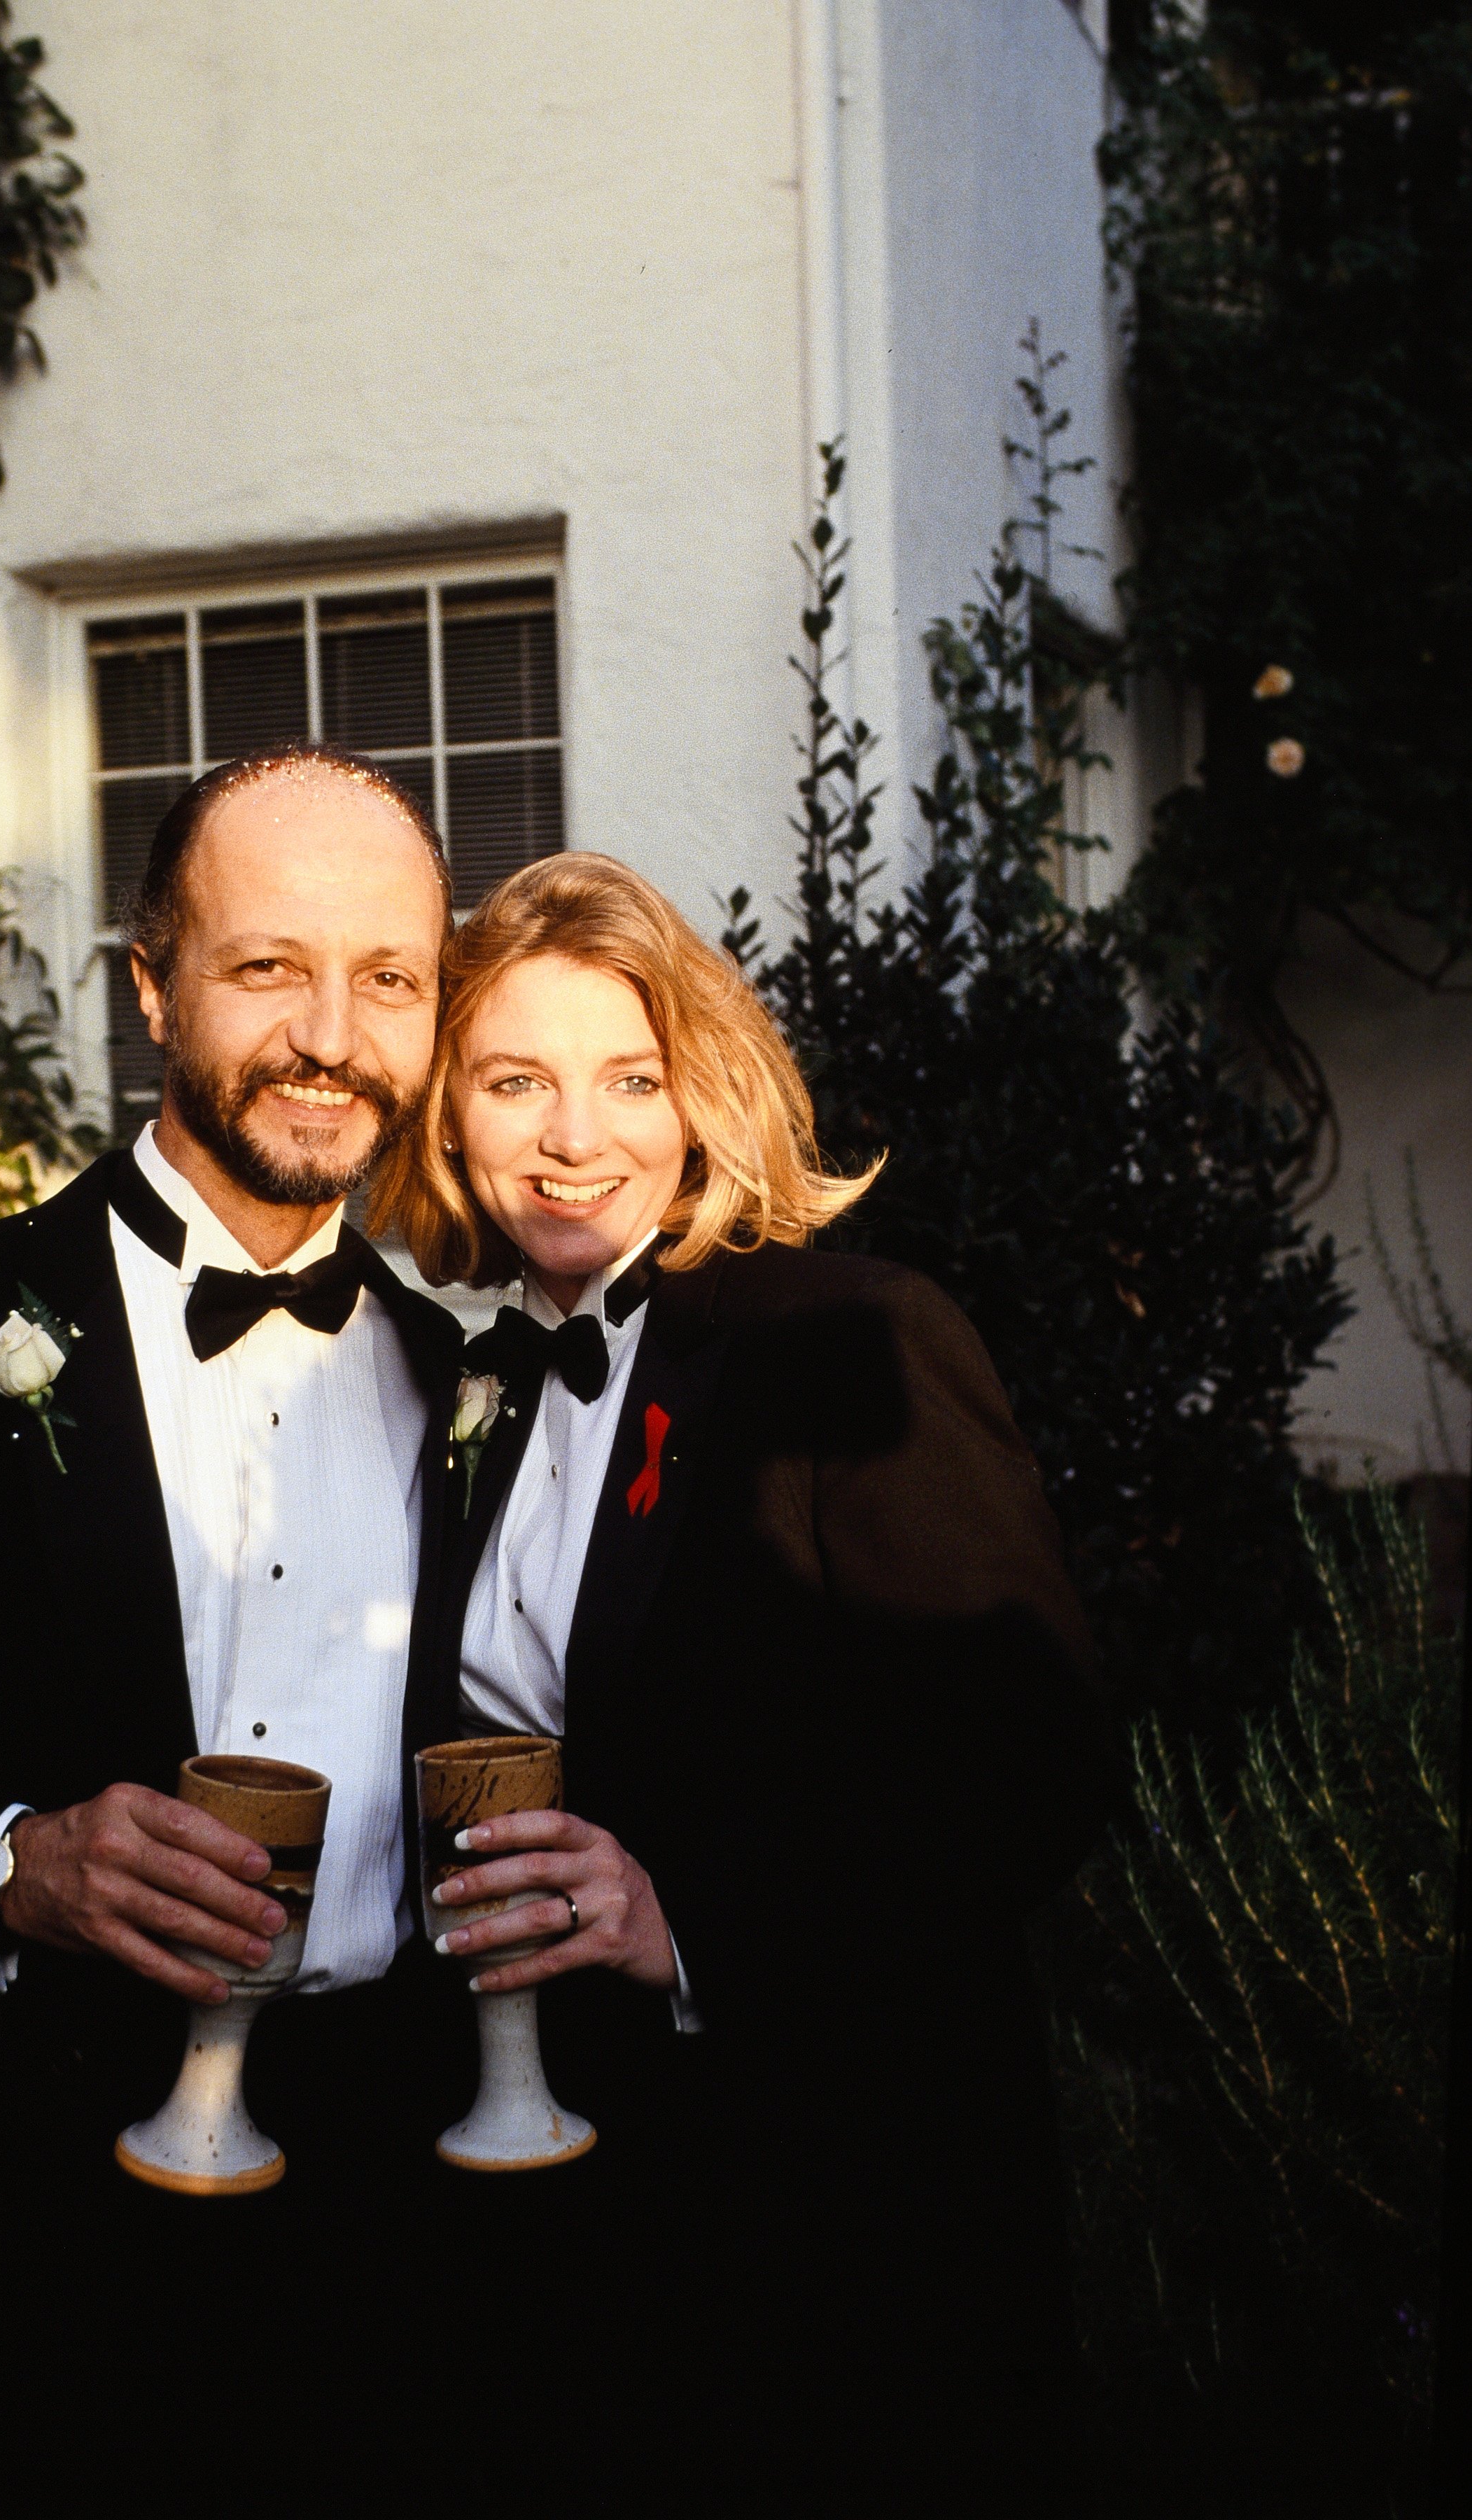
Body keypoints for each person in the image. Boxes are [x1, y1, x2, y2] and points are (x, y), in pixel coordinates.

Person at [370, 851, 1113, 2498]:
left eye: (630, 1079)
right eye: (516, 1080)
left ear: (701, 1097)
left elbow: (1035, 1766)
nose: (577, 1136)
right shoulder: (466, 1389)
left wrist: (684, 1912)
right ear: (448, 1119)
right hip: (567, 2190)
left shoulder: (848, 1335)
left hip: (831, 2198)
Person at [0, 742, 463, 2411]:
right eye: (268, 967)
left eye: (390, 980)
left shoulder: (468, 1383)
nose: (331, 1039)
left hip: (382, 2255)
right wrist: (2, 1862)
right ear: (153, 988)